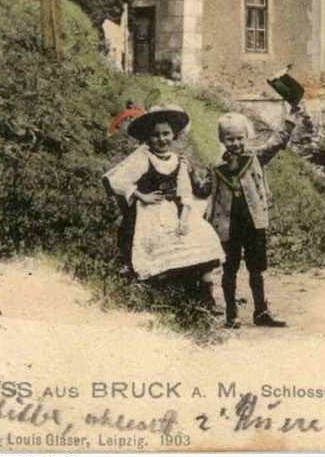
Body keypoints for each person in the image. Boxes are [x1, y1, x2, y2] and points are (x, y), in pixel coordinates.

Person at [102, 103, 223, 308]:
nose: (162, 139)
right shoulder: (143, 158)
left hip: (175, 212)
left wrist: (184, 219)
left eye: (166, 134)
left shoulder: (179, 161)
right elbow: (115, 180)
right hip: (150, 213)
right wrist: (141, 196)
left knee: (200, 236)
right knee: (157, 249)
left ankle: (202, 295)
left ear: (174, 135)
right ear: (148, 138)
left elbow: (185, 193)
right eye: (156, 135)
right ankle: (166, 294)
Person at [202, 109, 297, 329]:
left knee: (256, 268)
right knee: (230, 270)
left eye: (239, 138)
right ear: (222, 140)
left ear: (246, 137)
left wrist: (291, 120)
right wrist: (184, 171)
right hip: (227, 226)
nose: (235, 143)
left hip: (254, 222)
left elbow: (277, 142)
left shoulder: (255, 157)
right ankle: (231, 315)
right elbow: (202, 190)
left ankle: (261, 312)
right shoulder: (217, 168)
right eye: (230, 139)